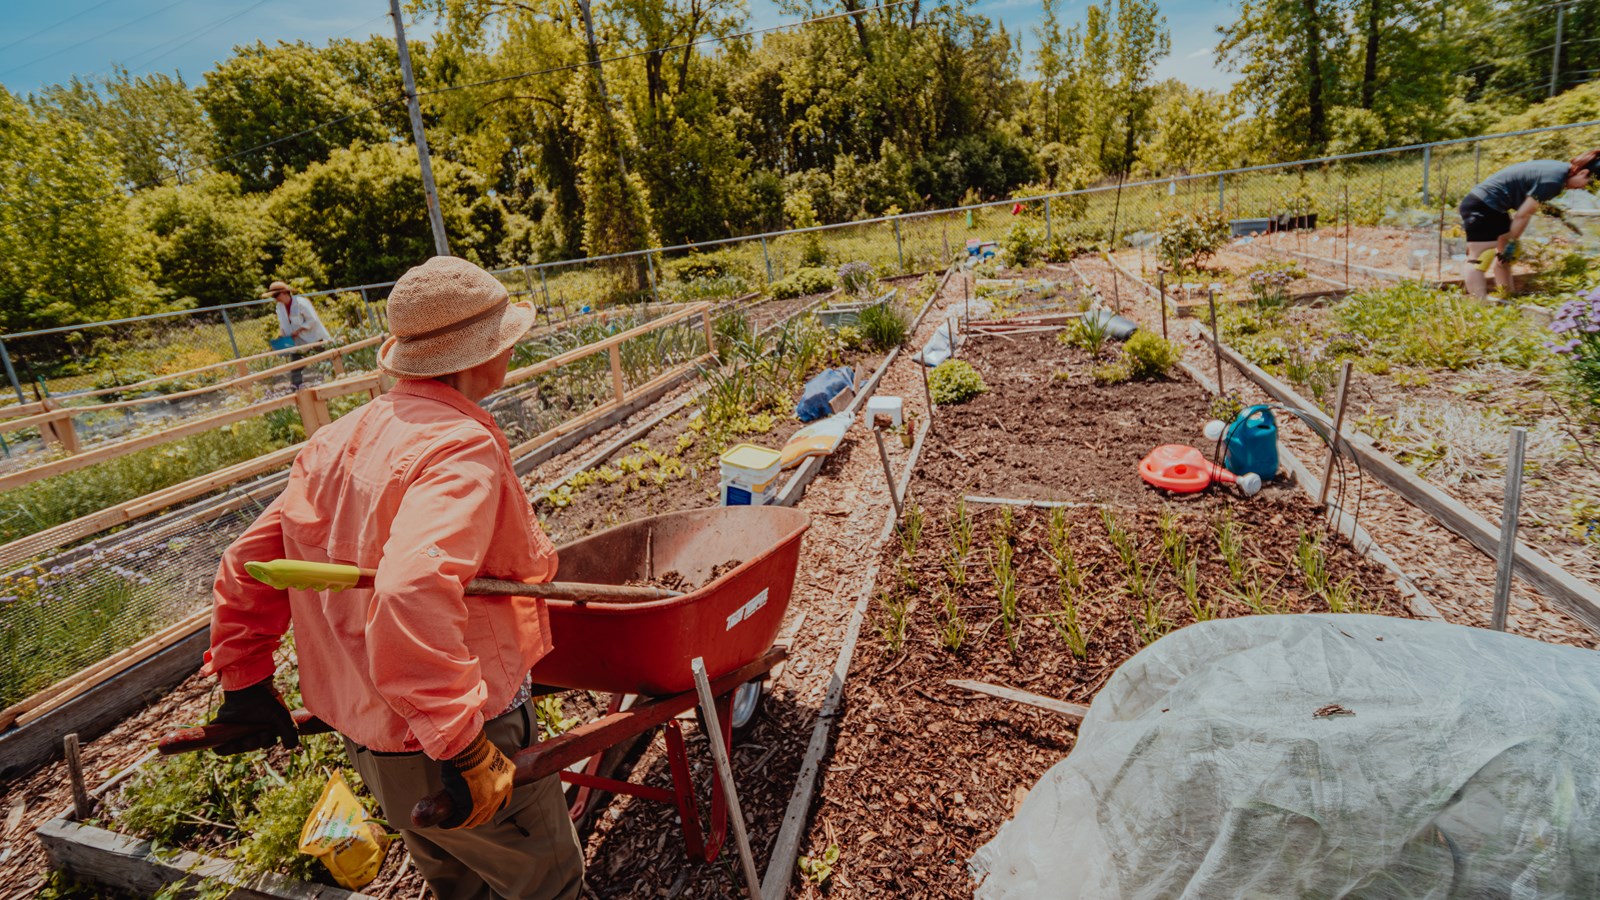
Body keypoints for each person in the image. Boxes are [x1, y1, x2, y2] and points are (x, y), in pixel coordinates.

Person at [208, 257, 584, 900]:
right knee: (544, 879)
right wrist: (463, 746)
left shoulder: (339, 438)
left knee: (454, 877)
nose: (514, 349)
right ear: (477, 357)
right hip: (456, 730)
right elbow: (412, 589)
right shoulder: (458, 445)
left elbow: (248, 562)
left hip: (375, 740)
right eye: (506, 339)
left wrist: (246, 678)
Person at [1459, 151, 1600, 298]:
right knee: (1479, 259)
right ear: (1583, 172)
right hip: (1481, 206)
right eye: (1587, 185)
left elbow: (1528, 199)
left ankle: (1508, 298)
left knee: (1505, 258)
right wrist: (1512, 241)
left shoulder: (1560, 171)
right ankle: (1479, 306)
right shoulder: (1553, 181)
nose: (1583, 189)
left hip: (1495, 206)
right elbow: (1523, 214)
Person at [264, 280, 332, 390]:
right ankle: (296, 388)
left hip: (314, 338)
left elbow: (312, 320)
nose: (275, 298)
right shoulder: (279, 307)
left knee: (325, 361)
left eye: (276, 295)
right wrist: (282, 336)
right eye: (273, 296)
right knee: (295, 365)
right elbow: (283, 324)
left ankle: (333, 381)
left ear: (285, 293)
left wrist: (298, 330)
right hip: (297, 342)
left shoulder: (301, 303)